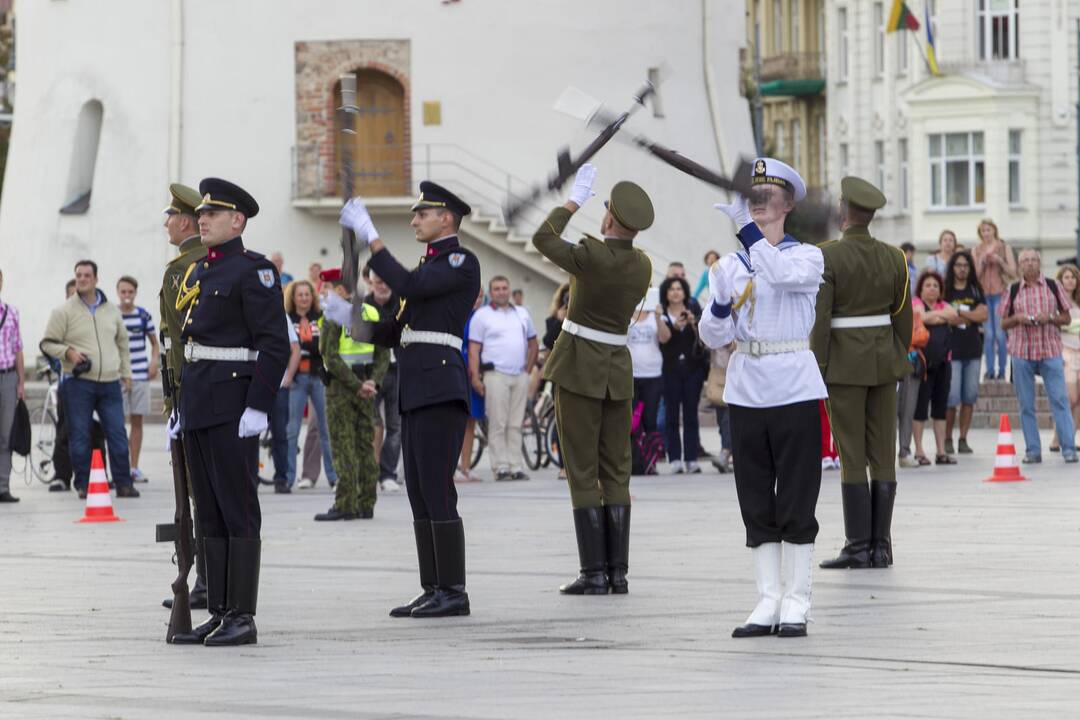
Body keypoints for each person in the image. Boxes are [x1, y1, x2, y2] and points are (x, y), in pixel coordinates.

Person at [341, 180, 480, 618]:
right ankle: (433, 586)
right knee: (419, 490)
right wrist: (348, 317)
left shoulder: (459, 261)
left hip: (440, 384)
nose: (415, 219)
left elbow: (409, 285)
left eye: (423, 213)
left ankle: (453, 591)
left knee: (437, 488)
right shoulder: (428, 266)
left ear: (447, 218)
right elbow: (390, 331)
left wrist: (371, 236)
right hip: (418, 387)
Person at [702, 157, 825, 637]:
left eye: (768, 195)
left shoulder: (807, 256)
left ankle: (797, 599)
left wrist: (745, 235)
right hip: (748, 383)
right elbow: (714, 335)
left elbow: (776, 273)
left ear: (788, 204)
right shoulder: (730, 265)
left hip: (793, 380)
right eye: (752, 195)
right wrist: (717, 304)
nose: (757, 203)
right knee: (754, 495)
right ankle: (768, 598)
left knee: (796, 494)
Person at [169, 178, 290, 646]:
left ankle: (242, 615)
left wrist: (258, 406)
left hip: (234, 405)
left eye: (212, 214)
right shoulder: (201, 271)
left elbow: (274, 345)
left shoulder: (253, 271)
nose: (202, 219)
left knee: (238, 510)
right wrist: (180, 407)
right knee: (210, 513)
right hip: (200, 402)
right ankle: (218, 609)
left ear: (237, 221)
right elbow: (193, 346)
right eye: (200, 214)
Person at [533, 164, 652, 597]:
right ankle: (617, 573)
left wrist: (572, 199)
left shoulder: (590, 254)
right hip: (617, 370)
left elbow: (543, 239)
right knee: (617, 470)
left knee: (582, 471)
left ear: (608, 220)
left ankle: (594, 573)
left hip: (580, 366)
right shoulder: (642, 265)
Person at [810, 176, 911, 575]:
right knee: (883, 453)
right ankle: (881, 547)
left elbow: (821, 319)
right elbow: (903, 317)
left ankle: (857, 545)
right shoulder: (894, 257)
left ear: (844, 211)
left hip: (844, 367)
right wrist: (896, 356)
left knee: (852, 455)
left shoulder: (828, 256)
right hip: (884, 362)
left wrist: (817, 366)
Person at [41, 260, 139, 500]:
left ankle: (124, 484)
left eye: (86, 275)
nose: (82, 279)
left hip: (110, 383)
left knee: (117, 434)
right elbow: (47, 343)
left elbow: (122, 344)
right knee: (80, 435)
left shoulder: (111, 311)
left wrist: (126, 373)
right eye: (78, 276)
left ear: (96, 279)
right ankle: (83, 484)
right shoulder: (63, 311)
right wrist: (69, 353)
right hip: (78, 383)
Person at [158, 183, 211, 610]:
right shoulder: (204, 262)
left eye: (171, 217)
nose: (166, 224)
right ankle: (208, 581)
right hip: (202, 389)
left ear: (187, 221)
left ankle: (207, 583)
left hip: (190, 390)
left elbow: (178, 340)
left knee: (199, 491)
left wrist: (176, 398)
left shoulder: (182, 270)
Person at [314, 269, 388, 521]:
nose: (325, 294)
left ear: (341, 291)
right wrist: (372, 383)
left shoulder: (334, 315)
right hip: (366, 387)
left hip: (342, 389)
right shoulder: (370, 312)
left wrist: (357, 385)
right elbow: (383, 354)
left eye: (328, 289)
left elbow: (330, 356)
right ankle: (366, 503)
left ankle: (346, 503)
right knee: (364, 445)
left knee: (343, 445)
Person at [999, 249, 1077, 463]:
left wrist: (1049, 317)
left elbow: (1067, 318)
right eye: (1026, 261)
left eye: (1034, 260)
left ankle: (1069, 448)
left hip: (1050, 350)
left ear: (1039, 263)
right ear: (1020, 265)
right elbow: (1003, 322)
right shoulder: (1012, 289)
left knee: (1060, 400)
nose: (1030, 264)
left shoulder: (1054, 286)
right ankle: (1033, 451)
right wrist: (1018, 319)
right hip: (1022, 352)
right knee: (1026, 404)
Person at [468, 275, 538, 481]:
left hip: (519, 374)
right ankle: (500, 467)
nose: (501, 292)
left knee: (516, 423)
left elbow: (533, 342)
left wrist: (528, 369)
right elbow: (474, 349)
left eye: (504, 288)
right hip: (495, 374)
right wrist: (475, 378)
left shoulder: (522, 313)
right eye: (497, 289)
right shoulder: (482, 316)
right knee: (498, 422)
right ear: (491, 292)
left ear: (509, 290)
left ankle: (516, 465)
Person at [283, 279, 338, 491]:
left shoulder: (320, 317)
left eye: (307, 294)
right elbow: (290, 347)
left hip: (317, 377)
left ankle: (333, 476)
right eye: (300, 295)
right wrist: (307, 346)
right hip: (296, 378)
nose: (304, 298)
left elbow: (322, 346)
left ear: (312, 297)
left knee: (325, 428)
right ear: (293, 298)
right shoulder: (287, 318)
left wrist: (306, 346)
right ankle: (289, 477)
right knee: (292, 430)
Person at [656, 276, 706, 473]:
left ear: (685, 292)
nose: (676, 292)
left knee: (691, 414)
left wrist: (693, 324)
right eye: (671, 289)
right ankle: (675, 457)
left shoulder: (693, 311)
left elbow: (704, 341)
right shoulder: (661, 314)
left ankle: (692, 458)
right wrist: (675, 328)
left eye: (679, 288)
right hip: (670, 370)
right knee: (671, 415)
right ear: (666, 293)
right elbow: (663, 341)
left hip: (693, 370)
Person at [910, 270, 957, 465]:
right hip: (923, 364)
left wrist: (933, 315)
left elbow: (953, 315)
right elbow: (920, 317)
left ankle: (941, 451)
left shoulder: (944, 304)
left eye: (935, 286)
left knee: (940, 408)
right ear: (920, 289)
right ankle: (919, 451)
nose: (932, 288)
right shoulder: (915, 303)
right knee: (920, 407)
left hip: (944, 363)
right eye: (928, 285)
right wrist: (940, 316)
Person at [116, 276, 159, 484]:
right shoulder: (112, 315)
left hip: (140, 375)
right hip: (119, 376)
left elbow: (154, 343)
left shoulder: (143, 316)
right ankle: (121, 467)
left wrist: (153, 362)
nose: (126, 296)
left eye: (130, 292)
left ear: (135, 293)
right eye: (123, 292)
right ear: (118, 293)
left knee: (137, 421)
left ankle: (134, 467)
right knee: (118, 423)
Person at [943, 250, 987, 455]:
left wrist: (959, 313)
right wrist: (971, 317)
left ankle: (963, 438)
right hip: (952, 352)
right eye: (958, 265)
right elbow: (946, 316)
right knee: (951, 399)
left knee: (969, 397)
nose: (962, 268)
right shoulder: (946, 291)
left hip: (973, 351)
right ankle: (947, 438)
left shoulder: (975, 290)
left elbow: (984, 314)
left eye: (966, 265)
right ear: (952, 267)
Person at [363, 264, 403, 491]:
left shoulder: (400, 303)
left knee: (395, 426)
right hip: (371, 374)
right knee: (370, 425)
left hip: (398, 371)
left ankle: (387, 474)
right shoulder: (363, 306)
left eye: (386, 281)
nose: (383, 286)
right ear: (371, 282)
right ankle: (369, 471)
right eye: (379, 282)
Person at [973, 219, 1017, 380]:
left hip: (1000, 294)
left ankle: (1002, 370)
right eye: (983, 230)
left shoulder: (1004, 248)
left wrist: (999, 261)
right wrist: (982, 262)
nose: (986, 233)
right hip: (984, 295)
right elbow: (975, 277)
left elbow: (1013, 272)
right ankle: (990, 370)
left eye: (988, 230)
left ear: (994, 231)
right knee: (989, 335)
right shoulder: (976, 250)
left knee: (1000, 334)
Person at [0, 267, 25, 503]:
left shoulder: (11, 313)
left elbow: (18, 348)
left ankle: (3, 486)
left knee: (6, 434)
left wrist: (21, 382)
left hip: (7, 377)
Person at [267, 316, 300, 492]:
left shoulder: (279, 314)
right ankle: (250, 478)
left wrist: (288, 377)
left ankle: (281, 478)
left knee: (280, 433)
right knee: (248, 435)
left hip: (278, 385)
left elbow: (295, 348)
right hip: (251, 382)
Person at [457, 288, 486, 483]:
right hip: (460, 369)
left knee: (471, 421)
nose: (476, 299)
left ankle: (466, 466)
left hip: (479, 370)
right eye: (473, 294)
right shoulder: (458, 314)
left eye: (480, 296)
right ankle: (453, 467)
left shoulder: (483, 316)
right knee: (457, 422)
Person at [1052, 265, 1080, 451]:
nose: (1070, 280)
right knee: (1069, 398)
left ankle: (1070, 438)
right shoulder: (1056, 304)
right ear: (1060, 281)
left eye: (1073, 277)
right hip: (1065, 352)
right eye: (1066, 277)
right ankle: (1057, 437)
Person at [629, 288, 663, 436]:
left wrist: (658, 318)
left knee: (650, 419)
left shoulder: (655, 315)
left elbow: (665, 338)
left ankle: (650, 455)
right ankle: (633, 456)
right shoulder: (625, 314)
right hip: (630, 374)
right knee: (630, 421)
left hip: (652, 374)